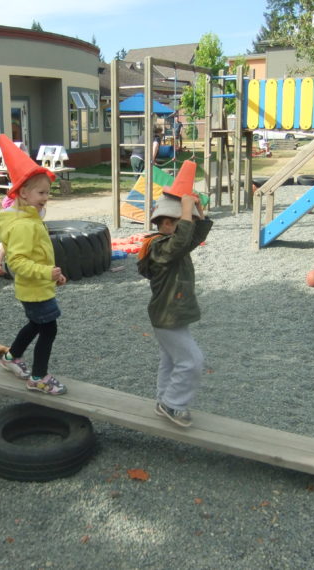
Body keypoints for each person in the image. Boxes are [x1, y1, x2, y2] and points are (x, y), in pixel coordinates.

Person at [137, 160, 213, 427]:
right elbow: (182, 240)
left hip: (172, 314)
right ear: (168, 223)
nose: (187, 226)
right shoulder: (159, 248)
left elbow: (189, 240)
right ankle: (173, 404)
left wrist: (198, 214)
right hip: (167, 315)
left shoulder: (173, 244)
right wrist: (185, 211)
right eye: (183, 222)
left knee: (171, 359)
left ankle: (163, 400)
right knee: (192, 361)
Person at [0, 134, 67, 395]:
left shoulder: (31, 218)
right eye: (41, 192)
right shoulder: (24, 225)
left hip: (37, 286)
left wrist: (53, 275)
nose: (46, 197)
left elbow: (38, 255)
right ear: (23, 192)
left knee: (36, 324)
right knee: (48, 329)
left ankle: (11, 358)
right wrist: (46, 272)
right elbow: (19, 262)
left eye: (48, 192)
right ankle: (38, 377)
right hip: (33, 288)